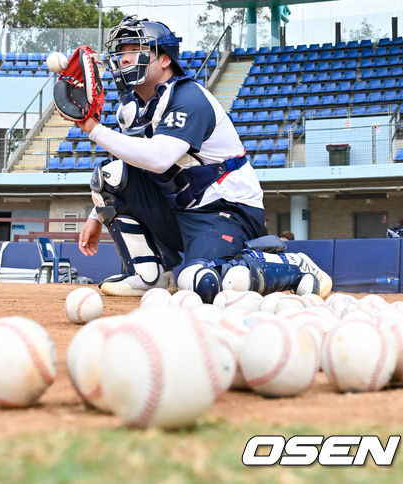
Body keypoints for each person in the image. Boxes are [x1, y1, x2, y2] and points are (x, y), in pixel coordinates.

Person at [76, 16, 331, 302]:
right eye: (122, 51)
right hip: (181, 209)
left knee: (202, 282)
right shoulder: (134, 107)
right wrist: (96, 215)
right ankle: (152, 276)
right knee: (108, 177)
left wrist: (92, 129)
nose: (124, 59)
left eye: (134, 48)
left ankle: (293, 266)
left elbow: (160, 159)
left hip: (226, 210)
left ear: (164, 60)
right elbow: (135, 163)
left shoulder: (189, 97)